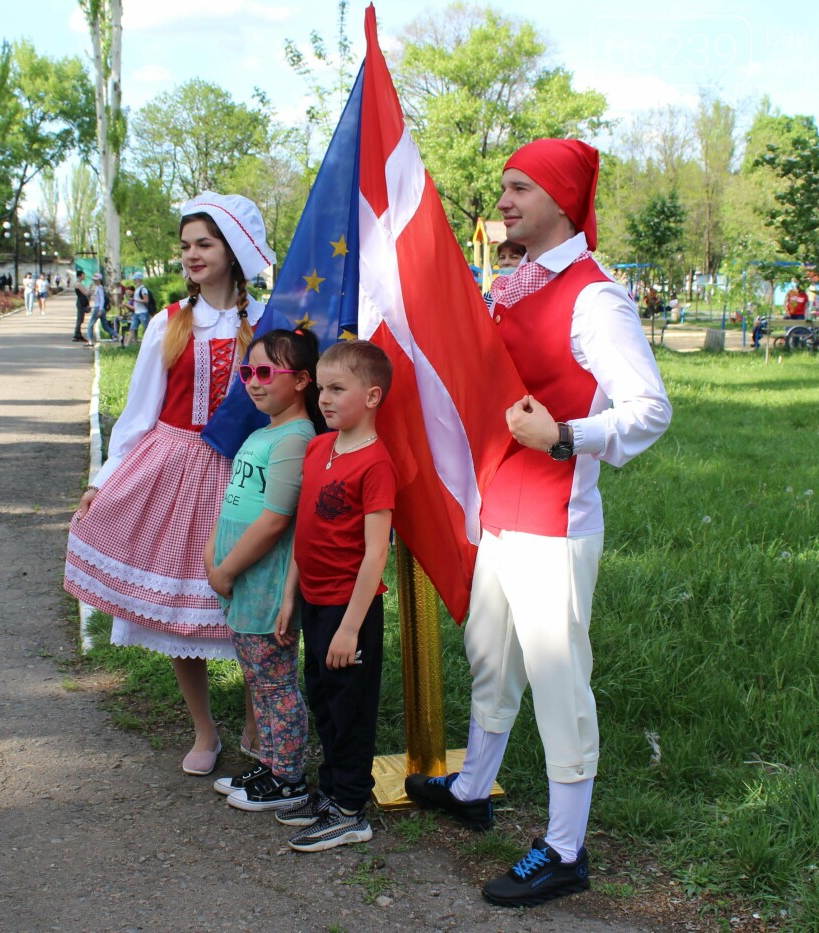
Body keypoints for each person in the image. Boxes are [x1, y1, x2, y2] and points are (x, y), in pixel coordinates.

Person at [403, 139, 671, 907]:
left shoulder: (595, 298)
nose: (506, 201)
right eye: (503, 187)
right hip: (501, 508)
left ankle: (565, 846)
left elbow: (650, 410)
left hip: (556, 520)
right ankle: (474, 787)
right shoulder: (513, 283)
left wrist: (564, 435)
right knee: (490, 654)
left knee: (558, 681)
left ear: (561, 199)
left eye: (522, 187)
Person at [65, 192, 275, 776]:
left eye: (204, 244)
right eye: (185, 246)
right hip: (177, 470)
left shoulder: (266, 322)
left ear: (232, 251)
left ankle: (259, 719)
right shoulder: (169, 323)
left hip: (249, 475)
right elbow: (138, 412)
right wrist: (105, 480)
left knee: (251, 601)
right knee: (182, 608)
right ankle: (205, 729)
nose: (191, 255)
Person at [271, 339, 395, 852]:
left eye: (336, 389)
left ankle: (350, 810)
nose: (324, 399)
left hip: (351, 611)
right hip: (315, 604)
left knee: (350, 710)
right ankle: (330, 794)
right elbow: (305, 529)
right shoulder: (320, 447)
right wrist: (288, 598)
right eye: (321, 388)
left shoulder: (376, 464)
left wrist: (349, 626)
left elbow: (375, 554)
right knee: (323, 700)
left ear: (371, 397)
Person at [206, 329, 324, 813]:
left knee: (275, 684)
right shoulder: (263, 431)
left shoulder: (297, 438)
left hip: (262, 583)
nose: (253, 383)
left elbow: (276, 519)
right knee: (259, 678)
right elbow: (233, 502)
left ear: (300, 381)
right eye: (247, 373)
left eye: (264, 373)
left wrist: (227, 569)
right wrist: (214, 555)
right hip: (238, 579)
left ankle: (289, 777)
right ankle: (274, 761)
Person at [128, 272, 152, 346]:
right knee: (132, 328)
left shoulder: (143, 289)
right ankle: (127, 345)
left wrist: (135, 300)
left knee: (147, 329)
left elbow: (146, 300)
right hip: (136, 312)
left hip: (143, 312)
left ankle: (148, 344)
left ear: (139, 279)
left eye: (135, 279)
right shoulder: (137, 289)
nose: (134, 281)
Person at [85, 273, 109, 346]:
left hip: (98, 308)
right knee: (105, 326)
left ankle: (90, 340)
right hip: (98, 307)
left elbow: (102, 300)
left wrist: (100, 310)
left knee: (90, 324)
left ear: (100, 280)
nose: (94, 281)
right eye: (94, 280)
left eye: (96, 280)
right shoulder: (97, 287)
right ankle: (118, 336)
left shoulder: (100, 288)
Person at [71, 270, 91, 342]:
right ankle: (76, 335)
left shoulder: (79, 283)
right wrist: (89, 290)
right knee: (80, 319)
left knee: (81, 319)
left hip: (81, 302)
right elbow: (85, 293)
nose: (84, 276)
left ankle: (78, 335)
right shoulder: (78, 284)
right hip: (81, 303)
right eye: (83, 275)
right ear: (80, 275)